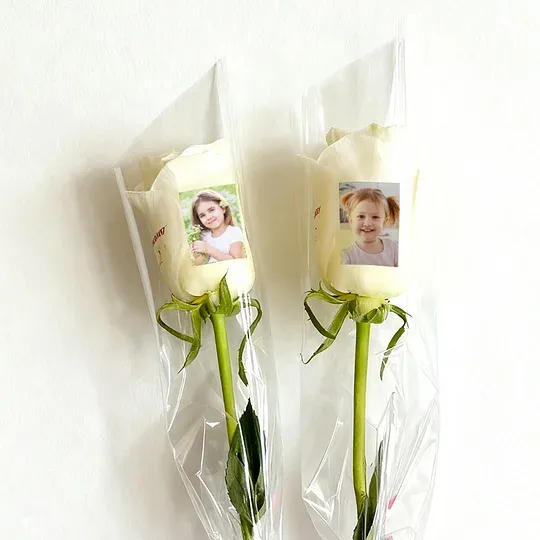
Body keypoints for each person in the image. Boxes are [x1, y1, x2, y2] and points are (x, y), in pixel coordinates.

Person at [340, 188, 399, 267]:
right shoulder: (346, 255)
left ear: (384, 222)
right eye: (361, 216)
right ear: (351, 221)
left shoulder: (394, 249)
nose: (367, 223)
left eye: (375, 217)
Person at [190, 189, 246, 265]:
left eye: (211, 210)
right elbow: (200, 264)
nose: (208, 217)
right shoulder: (203, 236)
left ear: (223, 208)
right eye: (202, 215)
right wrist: (196, 255)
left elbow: (237, 262)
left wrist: (208, 249)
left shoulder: (234, 232)